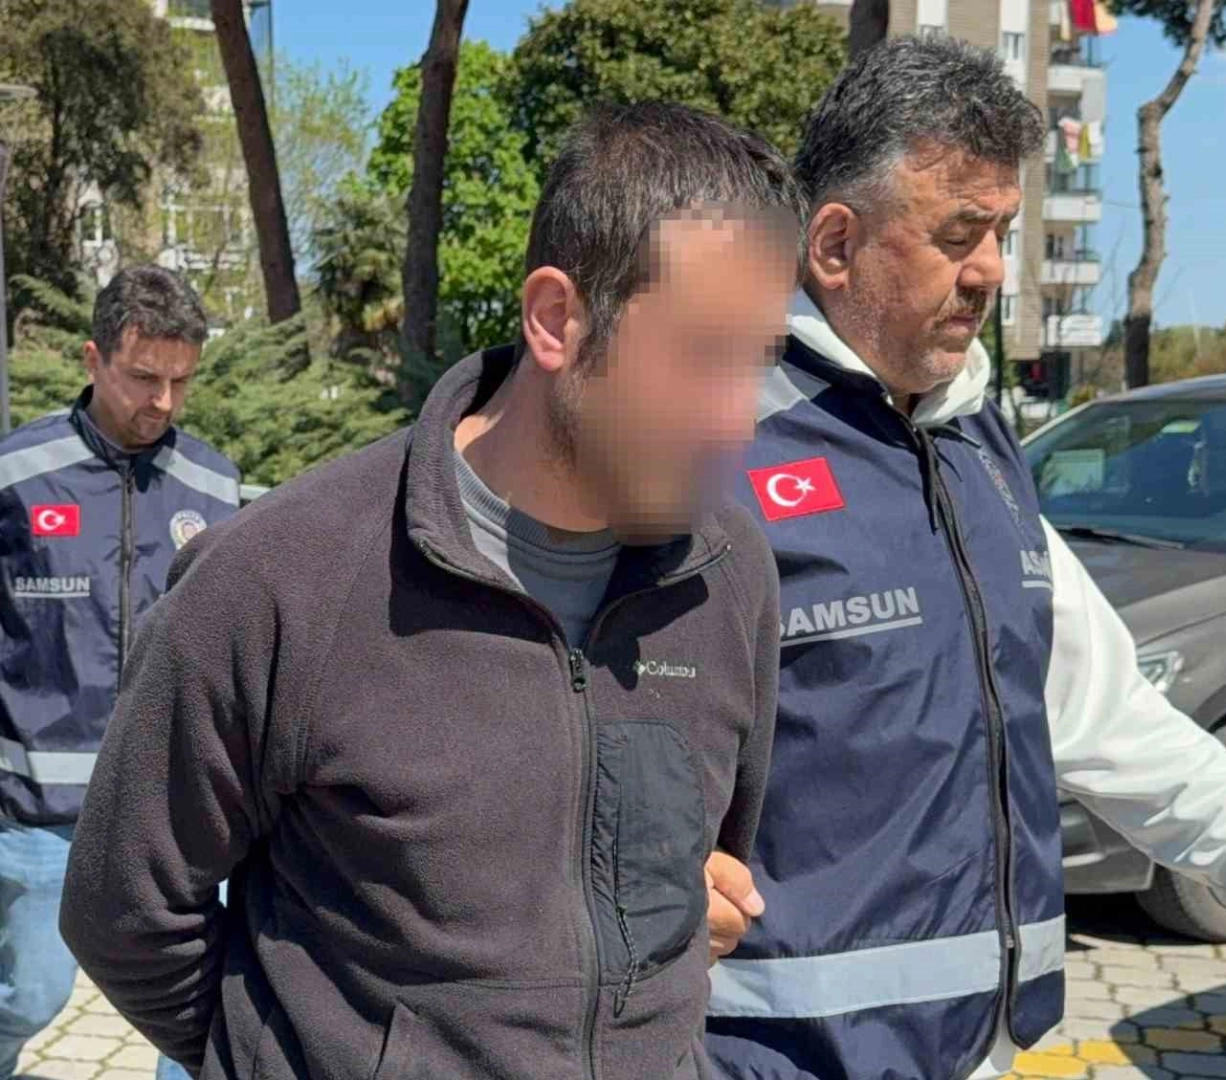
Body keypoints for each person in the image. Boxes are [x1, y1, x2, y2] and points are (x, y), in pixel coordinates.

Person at [59, 101, 800, 1080]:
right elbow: (123, 912)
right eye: (703, 356)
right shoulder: (281, 578)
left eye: (757, 362)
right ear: (557, 319)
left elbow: (699, 871)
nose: (740, 421)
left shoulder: (729, 575)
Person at [702, 37, 1226, 1080]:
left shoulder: (975, 440)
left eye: (1003, 233)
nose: (989, 269)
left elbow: (1097, 709)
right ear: (834, 244)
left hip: (985, 1051)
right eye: (958, 234)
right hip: (772, 1057)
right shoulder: (712, 440)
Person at [0, 265, 238, 1078]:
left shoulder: (214, 485)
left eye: (181, 381)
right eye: (143, 378)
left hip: (178, 810)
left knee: (203, 1014)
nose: (163, 402)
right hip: (41, 816)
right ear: (93, 358)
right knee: (30, 993)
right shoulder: (16, 476)